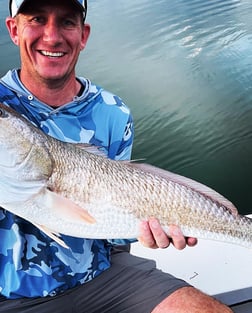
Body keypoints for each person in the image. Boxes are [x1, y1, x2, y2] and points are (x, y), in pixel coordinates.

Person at [0, 0, 233, 312]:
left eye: (66, 22)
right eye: (37, 19)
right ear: (14, 30)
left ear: (83, 35)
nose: (52, 36)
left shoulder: (113, 112)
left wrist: (148, 231)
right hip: (10, 293)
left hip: (105, 275)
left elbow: (118, 214)